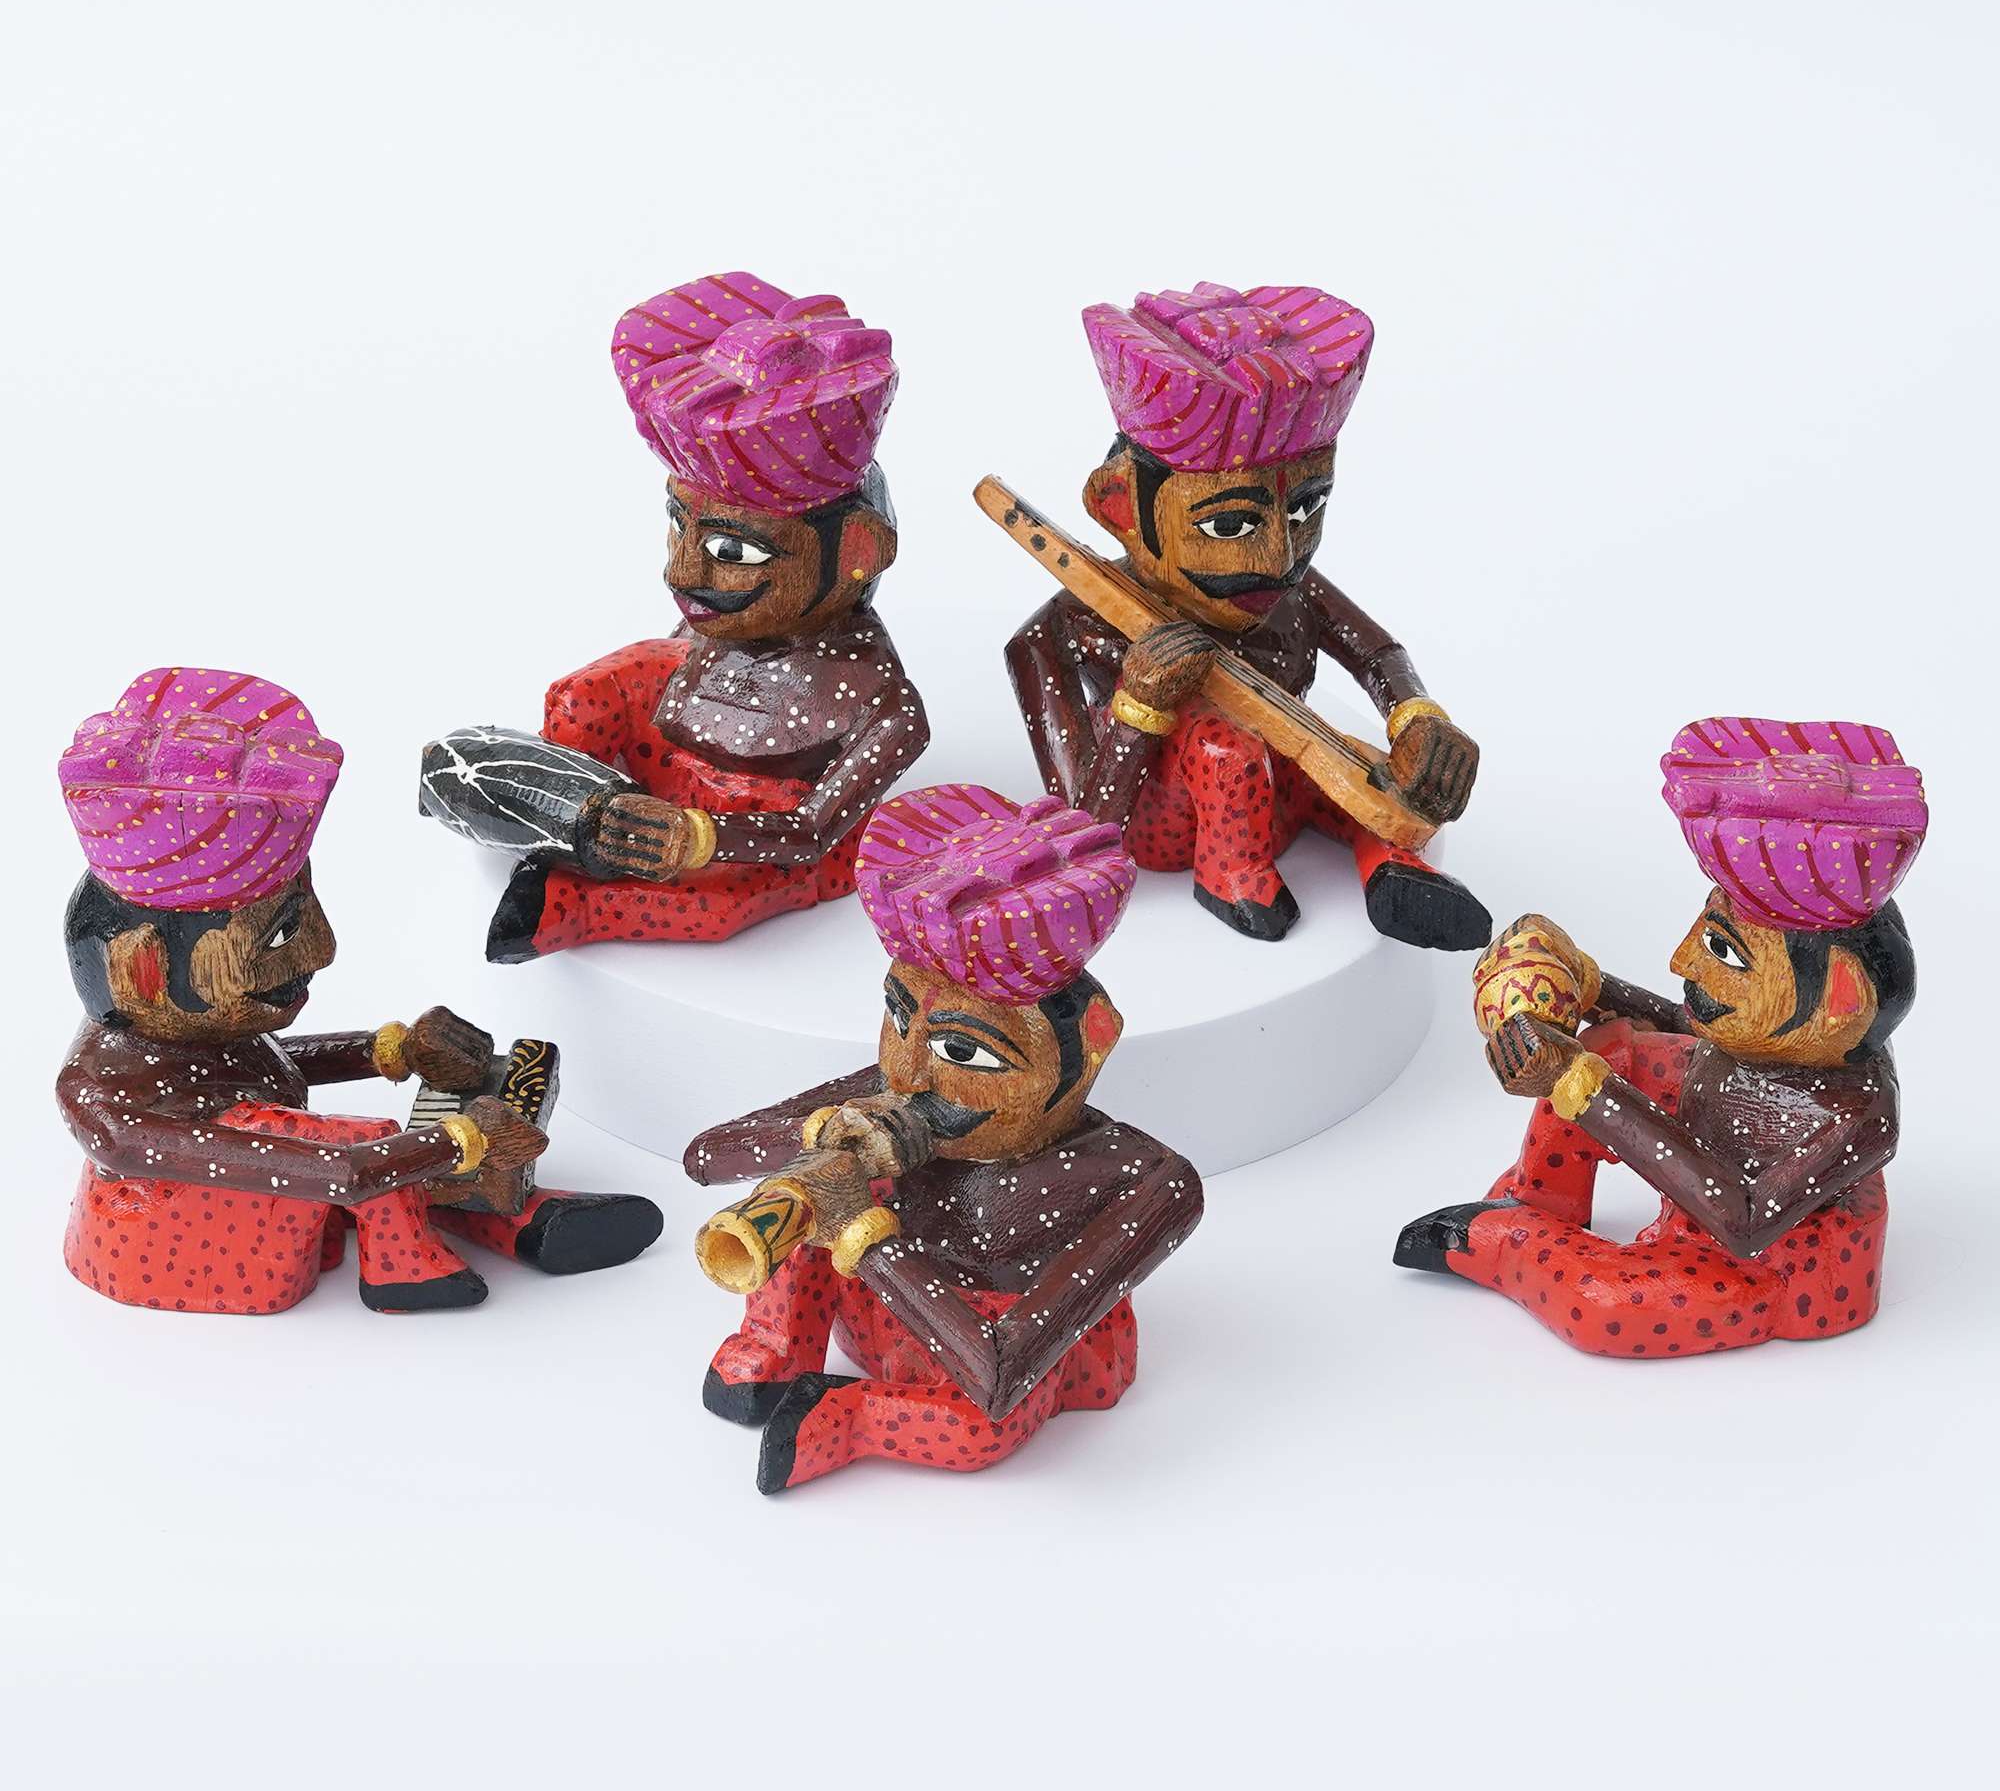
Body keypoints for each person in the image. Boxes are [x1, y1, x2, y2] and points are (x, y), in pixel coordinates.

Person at [57, 667, 661, 1315]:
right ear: (145, 970)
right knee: (359, 1148)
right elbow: (337, 1171)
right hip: (179, 1247)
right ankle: (406, 1271)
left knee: (374, 1159)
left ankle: (516, 1223)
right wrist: (459, 1139)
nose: (323, 950)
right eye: (281, 933)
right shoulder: (101, 1099)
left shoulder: (196, 1037)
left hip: (258, 1196)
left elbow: (262, 1071)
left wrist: (390, 1049)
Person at [686, 783, 1203, 1492]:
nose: (908, 1073)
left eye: (964, 1052)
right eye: (898, 1019)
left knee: (981, 1427)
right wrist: (820, 1135)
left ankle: (851, 1414)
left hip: (974, 1344)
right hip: (881, 1301)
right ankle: (777, 1343)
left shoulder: (1146, 1179)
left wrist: (870, 1237)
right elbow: (707, 1154)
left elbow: (1002, 1372)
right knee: (809, 1190)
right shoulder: (888, 1091)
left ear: (1092, 1044)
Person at [423, 272, 929, 958]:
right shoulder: (705, 629)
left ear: (859, 551)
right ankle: (566, 815)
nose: (681, 574)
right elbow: (633, 694)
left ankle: (578, 892)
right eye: (677, 526)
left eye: (731, 551)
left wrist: (700, 837)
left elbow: (812, 831)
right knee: (596, 690)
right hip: (640, 786)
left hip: (751, 839)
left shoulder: (885, 706)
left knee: (729, 896)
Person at [1395, 717, 1925, 1356]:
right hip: (1711, 1116)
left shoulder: (1862, 1115)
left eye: (1724, 952)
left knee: (1602, 1305)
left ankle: (1511, 1242)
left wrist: (1582, 1087)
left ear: (1840, 1001)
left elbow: (1744, 1220)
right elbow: (1689, 1027)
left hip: (1776, 1261)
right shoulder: (1763, 1039)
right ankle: (1542, 1196)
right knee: (1612, 1047)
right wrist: (1593, 986)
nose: (1681, 960)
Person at [1006, 281, 1487, 946]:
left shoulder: (1292, 589)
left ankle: (1389, 866)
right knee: (1221, 743)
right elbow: (1083, 820)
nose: (1280, 557)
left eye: (1306, 508)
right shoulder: (1058, 631)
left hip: (1284, 776)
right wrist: (1139, 705)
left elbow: (1378, 654)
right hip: (1168, 825)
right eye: (1230, 525)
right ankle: (1229, 871)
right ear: (1120, 507)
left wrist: (1418, 718)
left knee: (1360, 768)